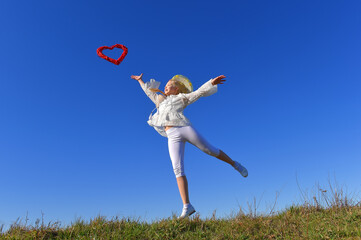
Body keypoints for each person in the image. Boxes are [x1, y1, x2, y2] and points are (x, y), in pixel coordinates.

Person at [130, 73, 248, 219]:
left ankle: (235, 164)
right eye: (165, 86)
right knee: (177, 168)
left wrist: (211, 82)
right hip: (171, 135)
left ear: (177, 89)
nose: (165, 87)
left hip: (184, 128)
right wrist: (140, 80)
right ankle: (187, 206)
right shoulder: (159, 100)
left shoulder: (181, 98)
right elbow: (149, 91)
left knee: (209, 150)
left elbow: (198, 92)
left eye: (169, 85)